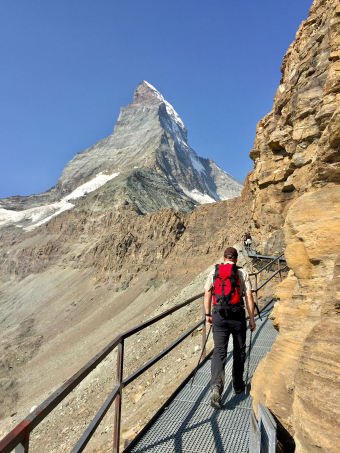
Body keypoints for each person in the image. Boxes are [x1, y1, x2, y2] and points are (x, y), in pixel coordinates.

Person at [204, 246, 256, 409]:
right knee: (239, 350)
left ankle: (216, 389)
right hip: (237, 315)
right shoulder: (242, 273)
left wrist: (207, 315)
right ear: (236, 259)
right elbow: (248, 295)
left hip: (219, 315)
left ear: (223, 257)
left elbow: (207, 293)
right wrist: (252, 318)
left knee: (219, 351)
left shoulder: (214, 272)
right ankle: (238, 384)